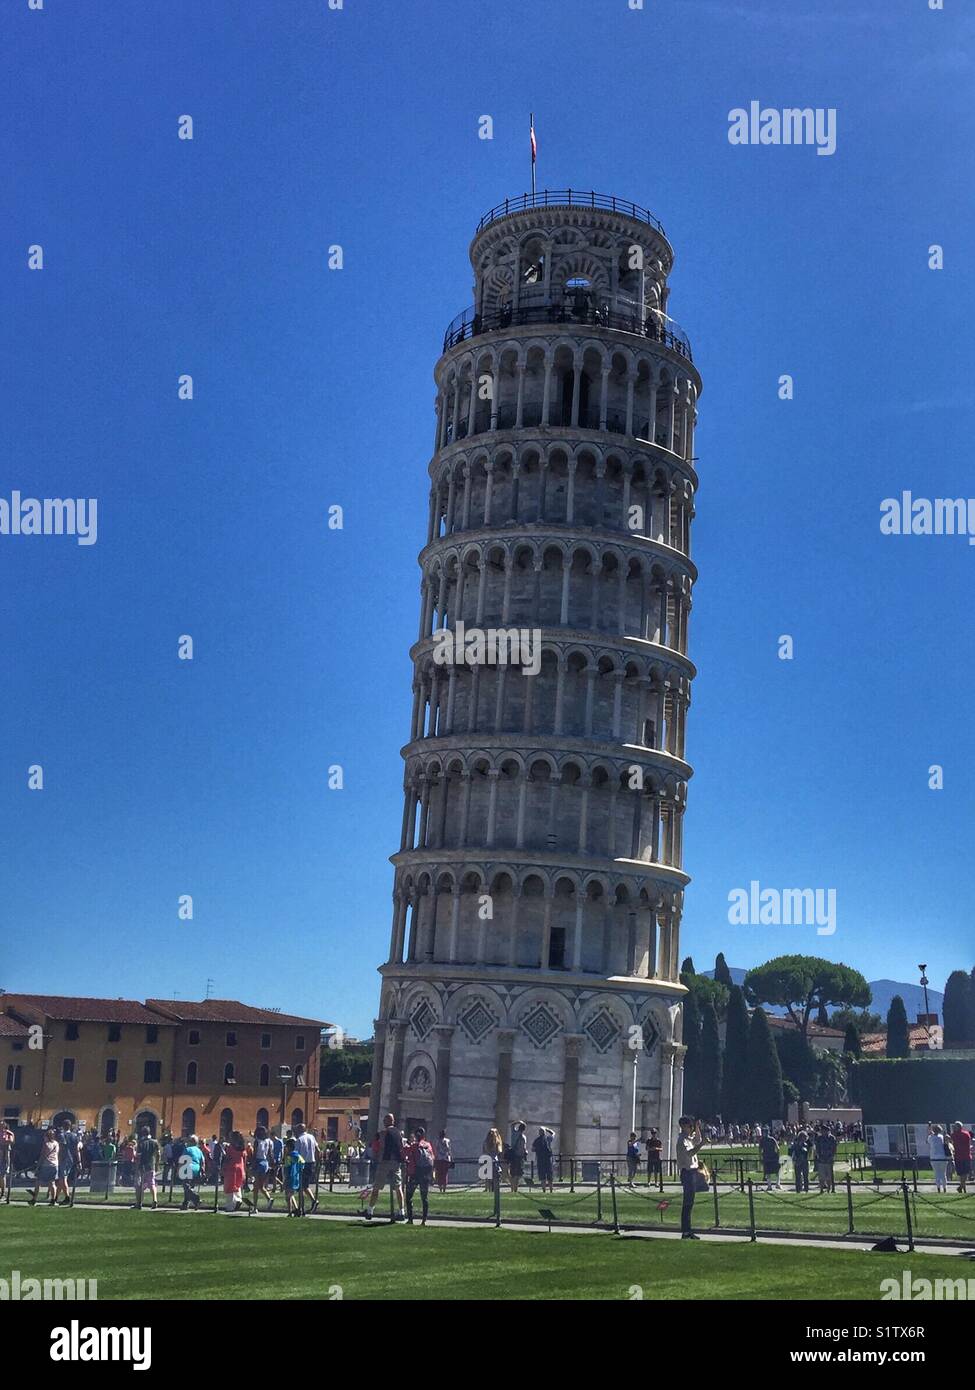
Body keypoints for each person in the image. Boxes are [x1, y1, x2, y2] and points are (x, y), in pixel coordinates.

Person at [364, 1113, 405, 1221]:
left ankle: (370, 1211)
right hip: (396, 1162)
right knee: (398, 1187)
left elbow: (379, 1147)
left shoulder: (384, 1133)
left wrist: (377, 1156)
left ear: (387, 1121)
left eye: (384, 1120)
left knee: (377, 1187)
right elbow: (401, 1147)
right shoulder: (399, 1133)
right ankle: (402, 1211)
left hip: (385, 1161)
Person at [675, 1116, 706, 1239]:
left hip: (692, 1172)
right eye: (690, 1126)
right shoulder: (682, 1140)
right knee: (687, 1204)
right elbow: (690, 1153)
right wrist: (702, 1145)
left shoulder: (688, 1138)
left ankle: (688, 1230)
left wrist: (698, 1127)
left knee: (690, 1203)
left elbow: (697, 1140)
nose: (691, 1128)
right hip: (687, 1172)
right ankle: (686, 1231)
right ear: (683, 1126)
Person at [405, 1126, 435, 1225]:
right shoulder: (428, 1145)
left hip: (415, 1173)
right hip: (425, 1174)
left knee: (409, 1196)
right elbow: (432, 1158)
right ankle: (424, 1220)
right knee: (424, 1197)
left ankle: (410, 1219)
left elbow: (405, 1154)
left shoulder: (413, 1146)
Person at [28, 1128, 61, 1207]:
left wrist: (38, 1166)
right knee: (52, 1183)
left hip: (45, 1165)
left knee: (38, 1182)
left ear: (47, 1136)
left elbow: (42, 1156)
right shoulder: (56, 1143)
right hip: (55, 1164)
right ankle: (53, 1200)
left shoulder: (46, 1144)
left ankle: (34, 1199)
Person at [246, 1125, 274, 1211]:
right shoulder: (268, 1141)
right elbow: (270, 1154)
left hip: (258, 1162)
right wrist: (272, 1163)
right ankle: (269, 1199)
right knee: (261, 1186)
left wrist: (251, 1164)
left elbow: (255, 1154)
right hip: (265, 1163)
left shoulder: (257, 1141)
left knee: (256, 1187)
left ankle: (255, 1207)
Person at [294, 1123, 319, 1214]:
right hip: (311, 1163)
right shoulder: (311, 1137)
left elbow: (296, 1155)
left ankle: (301, 1208)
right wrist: (317, 1162)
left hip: (302, 1164)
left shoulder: (299, 1140)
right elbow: (318, 1150)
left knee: (300, 1187)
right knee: (305, 1186)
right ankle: (313, 1201)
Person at [222, 1130, 247, 1212]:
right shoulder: (242, 1147)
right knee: (238, 1186)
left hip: (232, 1168)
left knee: (230, 1187)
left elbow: (228, 1158)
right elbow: (245, 1159)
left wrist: (224, 1167)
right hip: (241, 1168)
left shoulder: (231, 1147)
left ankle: (231, 1205)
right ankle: (239, 1199)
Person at [135, 1127, 159, 1210]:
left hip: (143, 1166)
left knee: (140, 1185)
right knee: (152, 1183)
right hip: (151, 1165)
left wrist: (137, 1166)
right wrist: (157, 1164)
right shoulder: (155, 1142)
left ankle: (139, 1203)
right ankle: (155, 1200)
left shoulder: (141, 1143)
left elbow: (138, 1156)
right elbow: (158, 1154)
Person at [179, 1134, 204, 1209]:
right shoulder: (199, 1150)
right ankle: (185, 1204)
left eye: (188, 1140)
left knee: (186, 1186)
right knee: (190, 1186)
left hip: (188, 1168)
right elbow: (202, 1161)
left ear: (192, 1142)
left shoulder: (187, 1149)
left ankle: (196, 1198)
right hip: (196, 1169)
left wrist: (179, 1170)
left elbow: (183, 1160)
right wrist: (202, 1170)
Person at [282, 1137, 305, 1215]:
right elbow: (303, 1163)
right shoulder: (298, 1156)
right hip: (296, 1177)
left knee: (287, 1196)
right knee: (291, 1194)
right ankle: (296, 1209)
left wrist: (284, 1180)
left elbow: (287, 1169)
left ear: (288, 1147)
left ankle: (290, 1212)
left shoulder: (288, 1157)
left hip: (289, 1178)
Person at [813, 1125, 837, 1194]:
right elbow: (817, 1149)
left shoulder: (832, 1138)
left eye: (824, 1130)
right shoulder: (819, 1138)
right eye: (822, 1131)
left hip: (829, 1159)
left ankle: (829, 1189)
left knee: (829, 1175)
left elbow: (834, 1149)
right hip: (821, 1160)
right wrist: (818, 1156)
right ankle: (821, 1189)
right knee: (821, 1175)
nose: (823, 1132)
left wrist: (832, 1156)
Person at [927, 1123, 949, 1193]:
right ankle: (945, 1188)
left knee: (937, 1174)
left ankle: (938, 1188)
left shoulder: (930, 1137)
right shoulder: (942, 1137)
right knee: (943, 1174)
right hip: (943, 1157)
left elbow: (928, 1142)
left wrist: (930, 1133)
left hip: (934, 1158)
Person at [950, 1121, 972, 1194]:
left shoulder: (954, 1135)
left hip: (960, 1156)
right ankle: (962, 1187)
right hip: (964, 1156)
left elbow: (951, 1143)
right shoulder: (966, 1134)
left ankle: (961, 1187)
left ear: (958, 1127)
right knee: (964, 1173)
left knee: (962, 1173)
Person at [532, 1126, 555, 1192]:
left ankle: (544, 1190)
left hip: (540, 1159)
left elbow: (532, 1149)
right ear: (545, 1132)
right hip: (548, 1159)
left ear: (539, 1133)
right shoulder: (548, 1138)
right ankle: (551, 1190)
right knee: (549, 1175)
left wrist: (538, 1150)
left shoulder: (537, 1140)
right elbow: (553, 1133)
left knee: (542, 1175)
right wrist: (548, 1129)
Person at [507, 1121, 528, 1192]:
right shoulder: (524, 1137)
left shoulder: (514, 1134)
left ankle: (512, 1188)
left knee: (513, 1173)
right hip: (520, 1156)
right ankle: (515, 1189)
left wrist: (518, 1121)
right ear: (524, 1129)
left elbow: (512, 1125)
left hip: (513, 1156)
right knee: (518, 1174)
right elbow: (524, 1148)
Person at [789, 1129, 811, 1193]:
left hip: (804, 1162)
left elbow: (808, 1153)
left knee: (805, 1176)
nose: (805, 1138)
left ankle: (806, 1189)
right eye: (804, 1137)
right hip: (798, 1162)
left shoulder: (806, 1145)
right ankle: (798, 1189)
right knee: (798, 1177)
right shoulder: (795, 1145)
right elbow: (791, 1152)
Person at [483, 1128, 503, 1192]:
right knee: (495, 1177)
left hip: (488, 1160)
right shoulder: (496, 1142)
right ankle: (493, 1190)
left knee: (488, 1177)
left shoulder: (485, 1142)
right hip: (494, 1161)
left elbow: (484, 1151)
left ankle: (488, 1189)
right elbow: (499, 1151)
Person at [0, 1121, 14, 1201]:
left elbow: (11, 1141)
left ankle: (3, 1193)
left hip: (4, 1152)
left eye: (2, 1125)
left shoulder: (8, 1133)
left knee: (2, 1176)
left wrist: (5, 1141)